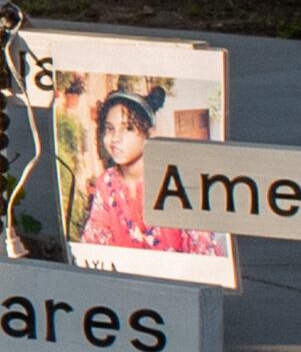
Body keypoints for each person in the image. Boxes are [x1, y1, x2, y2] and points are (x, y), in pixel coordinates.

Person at [71, 90, 225, 258]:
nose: (115, 138)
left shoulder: (177, 181)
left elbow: (204, 253)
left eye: (128, 128)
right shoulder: (107, 182)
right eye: (109, 129)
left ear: (148, 135)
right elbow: (94, 245)